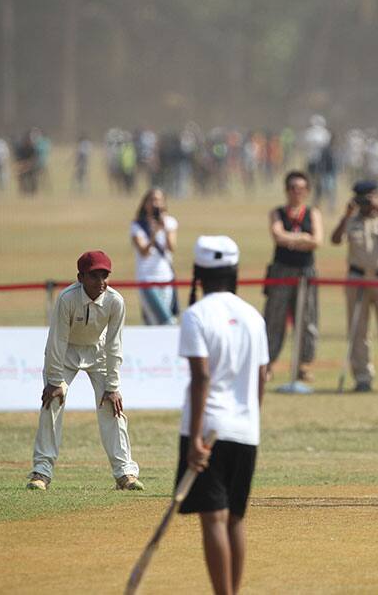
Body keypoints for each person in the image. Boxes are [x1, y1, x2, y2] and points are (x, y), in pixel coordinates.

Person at [177, 235, 268, 595]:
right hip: (245, 430)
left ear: (199, 273)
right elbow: (261, 378)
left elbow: (200, 377)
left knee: (213, 519)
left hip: (207, 426)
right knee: (235, 519)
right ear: (234, 272)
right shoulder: (252, 316)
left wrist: (196, 439)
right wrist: (250, 418)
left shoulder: (196, 315)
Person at [26, 251, 143, 491]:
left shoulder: (115, 301)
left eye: (104, 275)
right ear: (80, 277)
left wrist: (112, 387)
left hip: (98, 353)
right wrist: (55, 381)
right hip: (65, 354)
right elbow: (57, 340)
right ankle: (41, 472)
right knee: (52, 403)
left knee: (113, 406)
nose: (101, 282)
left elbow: (114, 345)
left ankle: (125, 474)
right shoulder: (67, 299)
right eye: (94, 275)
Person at [329, 180, 378, 392]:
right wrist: (346, 215)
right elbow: (335, 239)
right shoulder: (351, 219)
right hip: (357, 278)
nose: (365, 203)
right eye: (362, 198)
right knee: (358, 330)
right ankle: (362, 377)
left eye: (369, 198)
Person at [263, 171, 322, 382]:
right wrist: (302, 238)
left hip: (306, 272)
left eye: (301, 188)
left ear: (307, 191)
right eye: (292, 188)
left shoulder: (312, 212)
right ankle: (267, 363)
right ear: (286, 190)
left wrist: (293, 239)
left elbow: (317, 240)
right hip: (281, 270)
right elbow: (277, 235)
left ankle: (303, 365)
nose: (296, 192)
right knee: (274, 317)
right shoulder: (277, 212)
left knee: (307, 319)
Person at [131, 188, 179, 325]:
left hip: (166, 278)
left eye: (158, 200)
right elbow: (143, 252)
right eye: (151, 200)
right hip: (147, 279)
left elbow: (172, 247)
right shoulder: (137, 226)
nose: (155, 204)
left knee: (154, 322)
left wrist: (164, 227)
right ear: (145, 204)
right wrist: (153, 234)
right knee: (166, 321)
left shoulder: (170, 222)